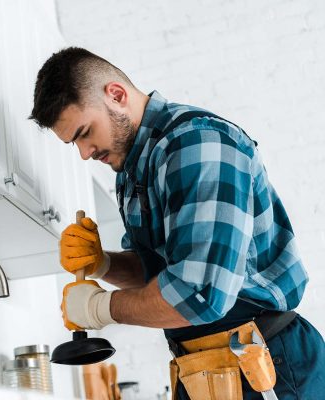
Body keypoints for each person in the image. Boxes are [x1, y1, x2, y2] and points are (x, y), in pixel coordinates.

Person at [29, 47, 325, 399]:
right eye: (74, 143)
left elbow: (199, 294)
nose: (84, 152)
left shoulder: (197, 144)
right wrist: (102, 263)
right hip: (203, 369)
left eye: (84, 132)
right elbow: (159, 276)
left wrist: (98, 309)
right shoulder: (134, 169)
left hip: (264, 366)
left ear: (117, 95)